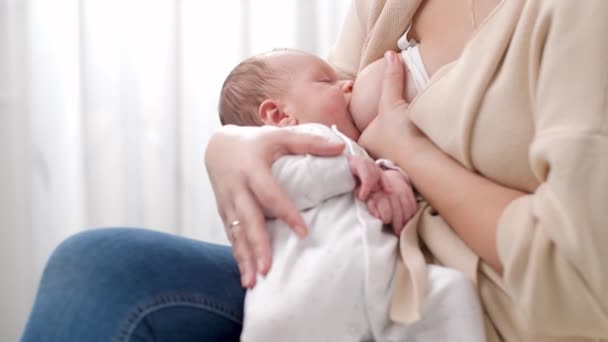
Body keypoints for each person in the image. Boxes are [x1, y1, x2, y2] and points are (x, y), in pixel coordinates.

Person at [21, 0, 608, 341]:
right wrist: (228, 146)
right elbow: (319, 116)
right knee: (95, 268)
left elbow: (581, 280)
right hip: (349, 264)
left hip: (468, 307)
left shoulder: (577, 17)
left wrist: (408, 150)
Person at [218, 49, 485, 341]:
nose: (347, 84)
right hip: (299, 300)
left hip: (371, 290)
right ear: (279, 115)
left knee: (451, 290)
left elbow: (370, 174)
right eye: (325, 81)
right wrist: (354, 171)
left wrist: (390, 175)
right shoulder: (283, 153)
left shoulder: (351, 150)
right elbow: (288, 183)